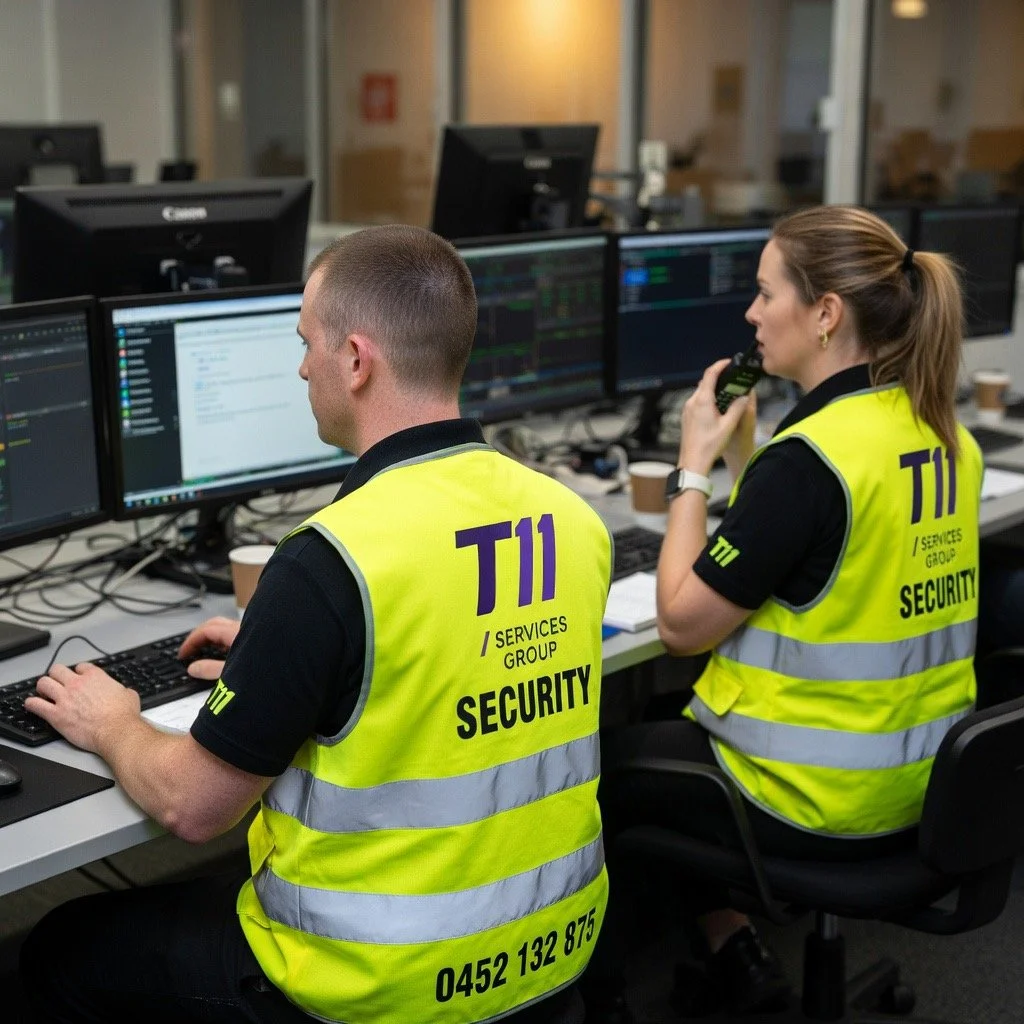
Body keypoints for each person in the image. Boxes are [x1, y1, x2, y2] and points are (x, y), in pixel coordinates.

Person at [20, 225, 613, 1024]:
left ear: (357, 360)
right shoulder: (572, 520)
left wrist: (114, 723)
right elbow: (474, 655)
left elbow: (195, 810)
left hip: (376, 984)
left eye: (308, 343)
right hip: (547, 950)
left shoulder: (331, 561)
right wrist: (290, 658)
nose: (302, 367)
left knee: (60, 946)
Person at [597, 204, 981, 1016]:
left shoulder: (813, 461)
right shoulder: (941, 432)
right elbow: (831, 562)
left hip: (816, 796)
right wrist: (753, 461)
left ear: (826, 314)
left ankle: (620, 995)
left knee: (603, 761)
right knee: (673, 718)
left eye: (766, 293)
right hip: (927, 779)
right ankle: (730, 940)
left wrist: (693, 468)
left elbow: (679, 625)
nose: (751, 313)